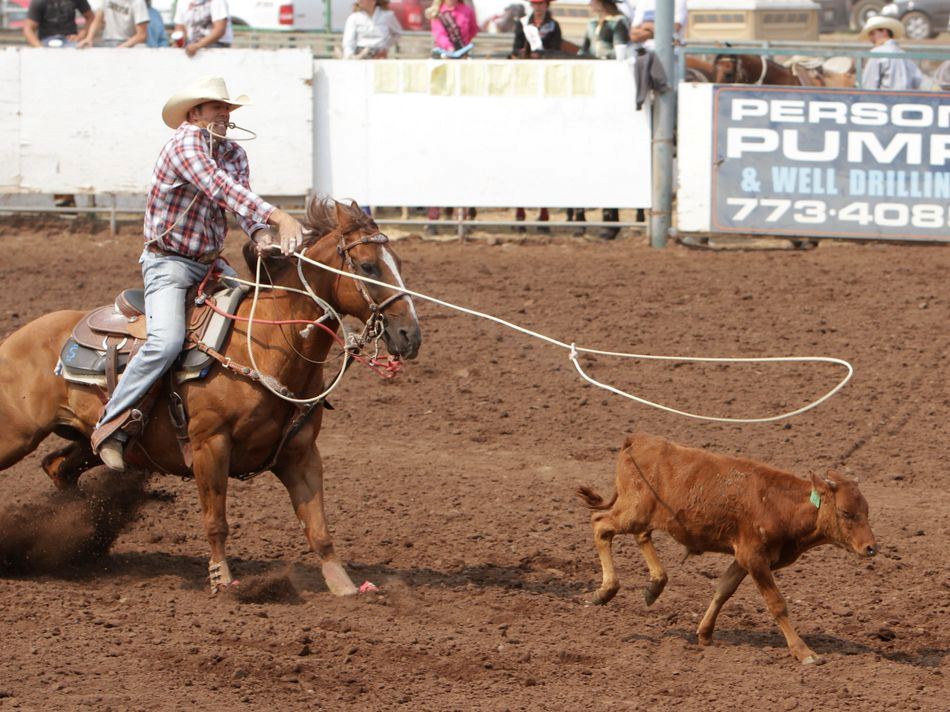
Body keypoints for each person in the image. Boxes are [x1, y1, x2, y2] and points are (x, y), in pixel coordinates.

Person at [90, 76, 305, 471]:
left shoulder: (235, 153)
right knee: (166, 340)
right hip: (168, 263)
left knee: (259, 319)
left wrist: (260, 234)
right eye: (216, 107)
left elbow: (240, 205)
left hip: (210, 264)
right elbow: (220, 187)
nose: (225, 114)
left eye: (228, 108)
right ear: (194, 114)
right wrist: (277, 216)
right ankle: (111, 424)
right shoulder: (185, 143)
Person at [575, 0, 630, 239]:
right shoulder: (591, 24)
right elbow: (583, 51)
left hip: (609, 80)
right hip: (593, 79)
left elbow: (620, 53)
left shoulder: (618, 23)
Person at [859, 15, 922, 91]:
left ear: (884, 32)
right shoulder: (903, 53)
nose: (871, 38)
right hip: (906, 100)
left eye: (873, 33)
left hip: (884, 99)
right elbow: (918, 80)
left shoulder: (876, 53)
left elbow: (869, 86)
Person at [78, 0, 150, 48]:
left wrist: (121, 47)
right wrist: (89, 38)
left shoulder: (138, 2)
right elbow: (98, 19)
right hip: (107, 41)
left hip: (128, 44)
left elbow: (142, 35)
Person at [23, 0, 94, 47]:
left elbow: (91, 17)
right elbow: (28, 28)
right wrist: (39, 48)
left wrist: (81, 36)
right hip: (47, 41)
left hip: (70, 41)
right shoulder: (39, 1)